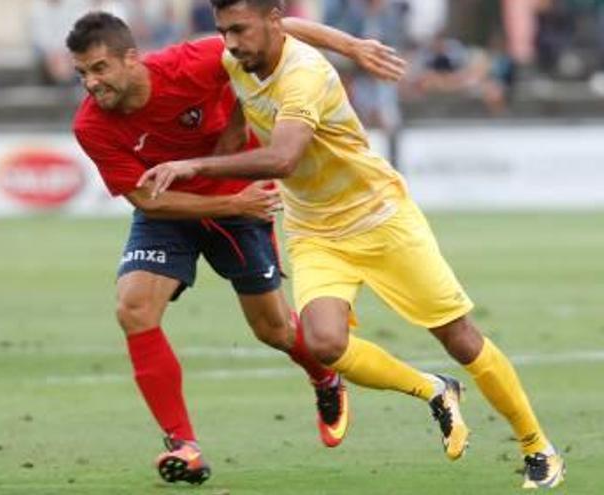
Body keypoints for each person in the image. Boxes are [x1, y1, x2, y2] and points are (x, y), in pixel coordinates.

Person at [138, 0, 564, 489]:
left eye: (238, 30)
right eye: (223, 31)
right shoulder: (243, 54)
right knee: (324, 343)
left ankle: (539, 448)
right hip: (315, 230)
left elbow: (282, 159)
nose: (230, 43)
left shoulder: (305, 77)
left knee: (459, 337)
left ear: (270, 21)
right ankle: (434, 390)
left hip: (379, 218)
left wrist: (192, 168)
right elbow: (288, 26)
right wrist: (352, 44)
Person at [68, 10, 405, 485]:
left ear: (131, 59)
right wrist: (230, 202)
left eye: (100, 69)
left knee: (274, 330)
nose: (91, 83)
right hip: (172, 210)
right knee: (134, 309)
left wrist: (352, 47)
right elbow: (147, 198)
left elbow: (278, 28)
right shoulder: (91, 126)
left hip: (241, 198)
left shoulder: (190, 63)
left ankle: (325, 378)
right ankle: (183, 445)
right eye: (82, 73)